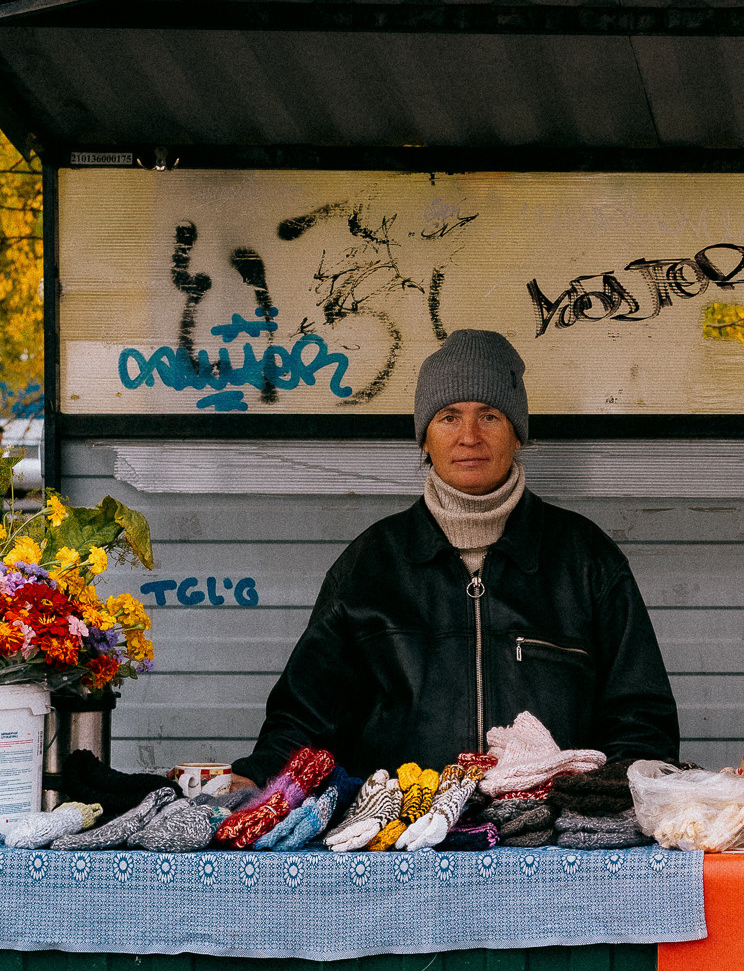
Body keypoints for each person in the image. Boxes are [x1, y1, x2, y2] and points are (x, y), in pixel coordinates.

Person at [236, 330, 680, 784]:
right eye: (449, 417)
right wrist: (256, 778)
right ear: (424, 439)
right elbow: (305, 720)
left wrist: (599, 805)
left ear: (518, 435)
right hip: (400, 839)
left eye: (489, 415)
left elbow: (641, 723)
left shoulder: (586, 560)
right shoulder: (369, 566)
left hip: (553, 841)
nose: (469, 437)